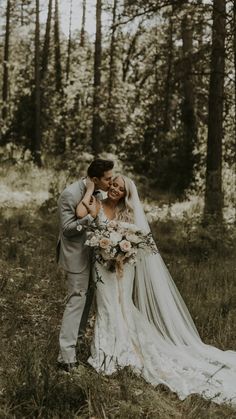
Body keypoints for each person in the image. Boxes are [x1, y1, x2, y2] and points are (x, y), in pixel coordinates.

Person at [76, 175, 236, 406]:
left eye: (120, 189)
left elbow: (136, 242)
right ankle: (106, 350)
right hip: (102, 266)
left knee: (123, 305)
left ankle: (127, 348)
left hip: (122, 267)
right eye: (113, 184)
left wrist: (122, 253)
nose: (115, 189)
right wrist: (90, 188)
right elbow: (82, 214)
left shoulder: (128, 213)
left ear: (125, 194)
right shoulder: (97, 201)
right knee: (107, 305)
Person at [56, 159, 114, 371]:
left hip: (94, 256)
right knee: (76, 301)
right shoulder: (70, 194)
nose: (110, 182)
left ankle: (76, 344)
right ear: (96, 179)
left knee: (87, 301)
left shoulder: (99, 193)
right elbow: (68, 229)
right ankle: (66, 358)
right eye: (107, 179)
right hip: (76, 255)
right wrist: (88, 219)